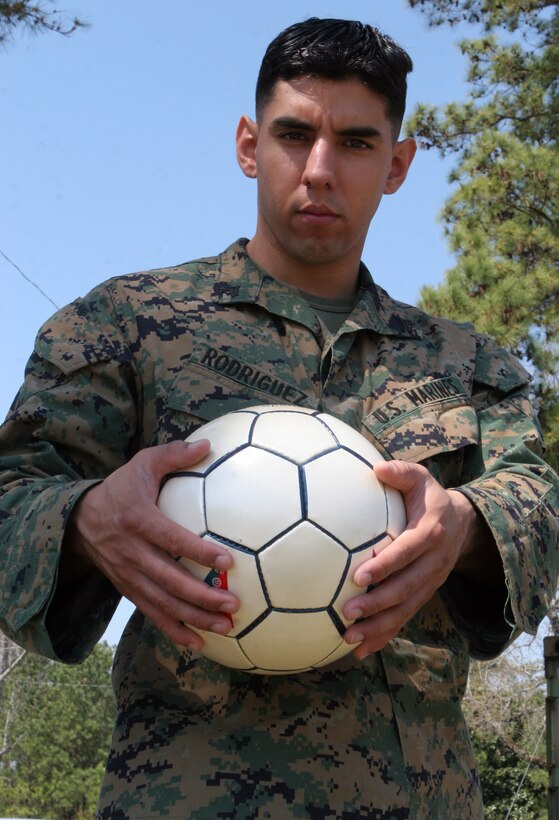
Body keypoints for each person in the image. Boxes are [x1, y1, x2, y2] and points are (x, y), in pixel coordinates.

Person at [0, 16, 557, 819]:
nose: (319, 170)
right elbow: (13, 494)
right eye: (294, 135)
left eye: (356, 143)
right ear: (247, 145)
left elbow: (537, 499)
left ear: (397, 164)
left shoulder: (465, 363)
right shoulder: (125, 325)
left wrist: (466, 525)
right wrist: (85, 521)